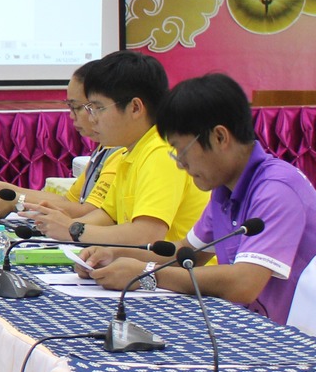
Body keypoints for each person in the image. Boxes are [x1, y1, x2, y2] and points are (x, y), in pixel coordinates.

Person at [81, 73, 316, 335]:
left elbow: (244, 283)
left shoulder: (277, 189)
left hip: (297, 342)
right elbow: (187, 254)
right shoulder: (224, 189)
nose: (180, 165)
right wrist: (115, 254)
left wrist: (147, 274)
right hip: (249, 328)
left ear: (219, 137)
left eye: (181, 151)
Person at [19, 50, 207, 250]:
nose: (92, 119)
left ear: (135, 108)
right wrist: (59, 223)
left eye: (98, 108)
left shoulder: (161, 152)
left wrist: (72, 229)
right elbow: (107, 216)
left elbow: (147, 234)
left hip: (181, 268)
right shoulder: (129, 152)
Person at [0, 62, 124, 219]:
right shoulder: (105, 147)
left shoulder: (120, 150)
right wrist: (2, 188)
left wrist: (17, 201)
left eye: (78, 107)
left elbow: (90, 212)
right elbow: (69, 202)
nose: (71, 116)